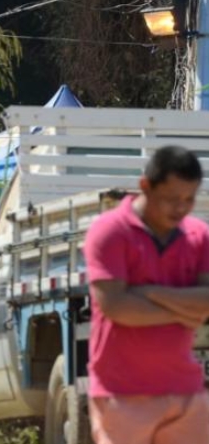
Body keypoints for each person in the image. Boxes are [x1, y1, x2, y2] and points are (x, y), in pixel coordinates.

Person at [83, 145, 209, 444]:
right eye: (171, 199)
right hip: (121, 395)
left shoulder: (200, 236)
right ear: (145, 186)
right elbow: (116, 306)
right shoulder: (109, 231)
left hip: (186, 395)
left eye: (189, 199)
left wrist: (149, 292)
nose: (180, 208)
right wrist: (187, 311)